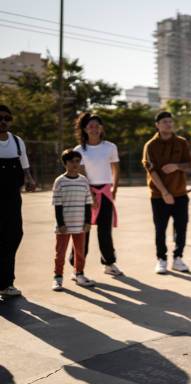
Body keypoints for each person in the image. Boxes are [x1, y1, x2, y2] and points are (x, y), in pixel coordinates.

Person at [142, 111, 191, 274]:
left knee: (181, 227)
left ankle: (178, 258)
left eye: (170, 122)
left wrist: (176, 166)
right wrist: (165, 193)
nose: (168, 124)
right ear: (157, 125)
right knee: (160, 228)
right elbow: (151, 171)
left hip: (180, 194)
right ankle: (161, 259)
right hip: (159, 195)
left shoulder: (181, 142)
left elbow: (190, 164)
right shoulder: (150, 145)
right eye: (164, 122)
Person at [73, 113, 123, 277]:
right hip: (85, 193)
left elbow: (115, 168)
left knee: (105, 231)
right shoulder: (79, 150)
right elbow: (81, 174)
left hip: (106, 192)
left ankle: (109, 263)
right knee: (83, 231)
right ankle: (77, 267)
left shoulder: (110, 147)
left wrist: (114, 188)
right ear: (85, 129)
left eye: (97, 126)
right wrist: (91, 196)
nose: (94, 129)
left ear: (101, 128)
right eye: (90, 126)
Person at [0, 104, 35, 298]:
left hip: (13, 197)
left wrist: (29, 179)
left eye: (7, 118)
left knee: (13, 235)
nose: (3, 121)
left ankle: (6, 283)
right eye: (0, 118)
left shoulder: (16, 140)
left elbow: (24, 166)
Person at [52, 149, 94, 290]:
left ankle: (79, 274)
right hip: (64, 226)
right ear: (65, 163)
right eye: (71, 161)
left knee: (80, 252)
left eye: (77, 161)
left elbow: (88, 203)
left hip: (80, 225)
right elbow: (57, 204)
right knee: (60, 254)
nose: (75, 164)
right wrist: (61, 224)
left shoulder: (83, 181)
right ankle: (58, 278)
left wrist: (88, 222)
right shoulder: (60, 181)